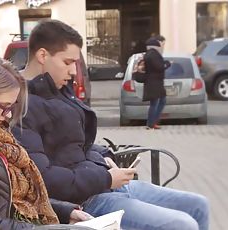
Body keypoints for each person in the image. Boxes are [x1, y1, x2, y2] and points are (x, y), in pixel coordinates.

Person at [13, 19, 210, 230]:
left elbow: (77, 142)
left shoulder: (57, 89)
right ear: (43, 55)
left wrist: (105, 156)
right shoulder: (20, 104)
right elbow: (44, 178)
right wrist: (105, 178)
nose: (73, 72)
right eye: (68, 62)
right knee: (182, 224)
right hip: (84, 202)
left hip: (107, 185)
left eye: (75, 64)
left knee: (198, 205)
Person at [0, 54, 93, 230]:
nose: (9, 115)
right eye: (4, 106)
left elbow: (13, 199)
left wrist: (65, 212)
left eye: (12, 106)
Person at [141, 37, 171, 130]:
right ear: (155, 46)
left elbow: (158, 65)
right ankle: (151, 124)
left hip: (155, 83)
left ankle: (153, 122)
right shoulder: (153, 55)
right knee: (155, 103)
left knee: (161, 101)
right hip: (154, 83)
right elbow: (159, 67)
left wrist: (164, 62)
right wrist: (167, 64)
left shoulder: (150, 54)